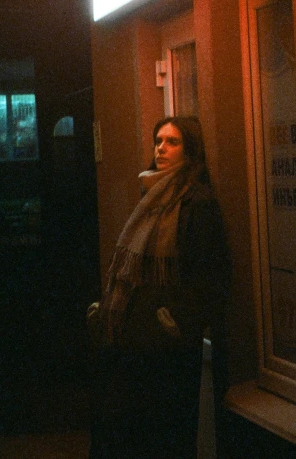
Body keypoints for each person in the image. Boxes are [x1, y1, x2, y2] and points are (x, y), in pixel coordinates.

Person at [87, 115, 231, 459]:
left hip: (164, 348)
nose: (161, 147)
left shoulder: (197, 202)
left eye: (173, 141)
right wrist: (108, 306)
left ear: (190, 150)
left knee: (161, 438)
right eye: (158, 141)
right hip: (130, 341)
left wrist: (174, 319)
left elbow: (213, 274)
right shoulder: (150, 197)